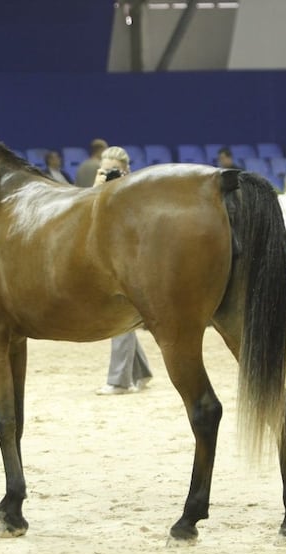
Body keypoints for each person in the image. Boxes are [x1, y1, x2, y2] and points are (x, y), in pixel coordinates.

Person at [91, 146, 154, 396]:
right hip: (109, 261)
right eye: (103, 169)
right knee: (124, 314)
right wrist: (97, 187)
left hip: (133, 262)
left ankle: (119, 381)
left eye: (113, 170)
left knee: (122, 314)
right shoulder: (99, 188)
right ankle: (141, 371)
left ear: (126, 170)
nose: (108, 174)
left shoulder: (137, 190)